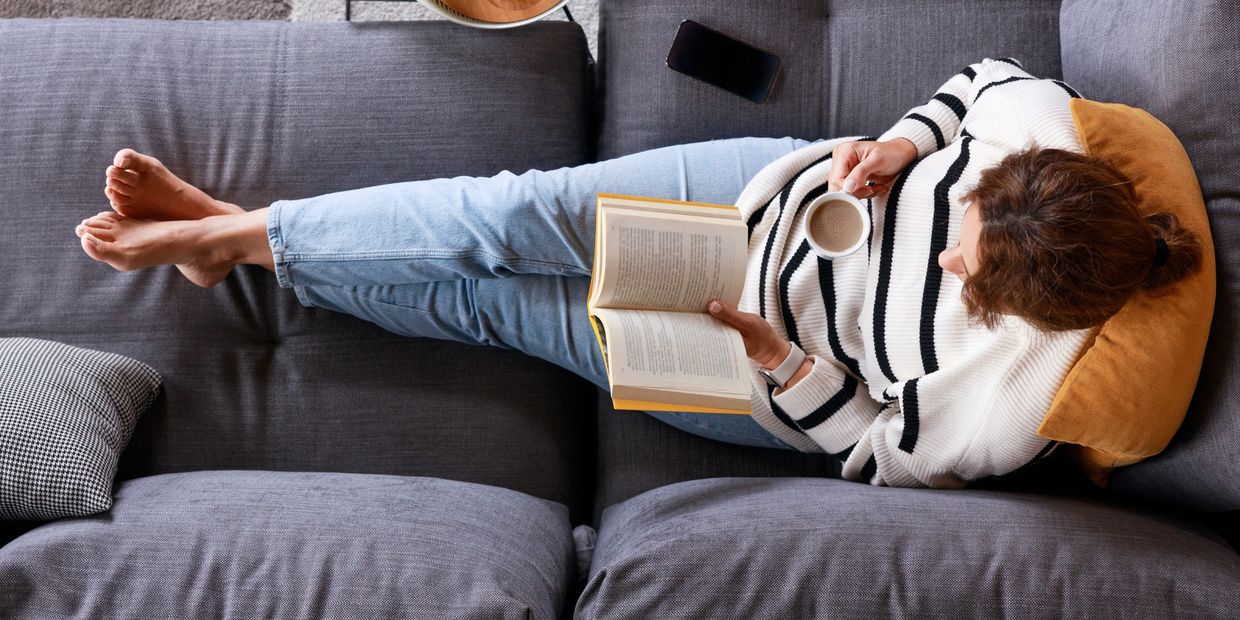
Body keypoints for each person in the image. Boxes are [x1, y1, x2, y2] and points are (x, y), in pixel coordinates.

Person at [74, 58, 1202, 488]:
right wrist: (904, 147)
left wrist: (779, 359)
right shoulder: (1030, 138)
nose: (948, 232)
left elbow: (871, 444)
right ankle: (232, 237)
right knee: (501, 212)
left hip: (746, 360)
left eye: (962, 260)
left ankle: (247, 243)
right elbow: (976, 86)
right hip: (762, 195)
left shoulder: (1002, 404)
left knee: (487, 303)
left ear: (1007, 306)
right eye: (963, 205)